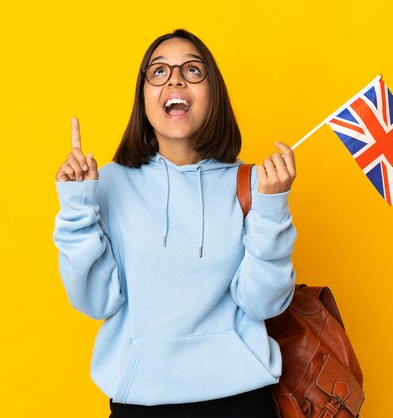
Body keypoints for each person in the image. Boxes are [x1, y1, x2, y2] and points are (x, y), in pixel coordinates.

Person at [52, 28, 297, 418]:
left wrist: (271, 206)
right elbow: (95, 300)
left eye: (193, 71)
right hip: (140, 401)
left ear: (212, 93)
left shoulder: (254, 183)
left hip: (240, 400)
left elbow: (263, 302)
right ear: (144, 97)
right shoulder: (109, 182)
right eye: (160, 72)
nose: (176, 79)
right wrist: (78, 205)